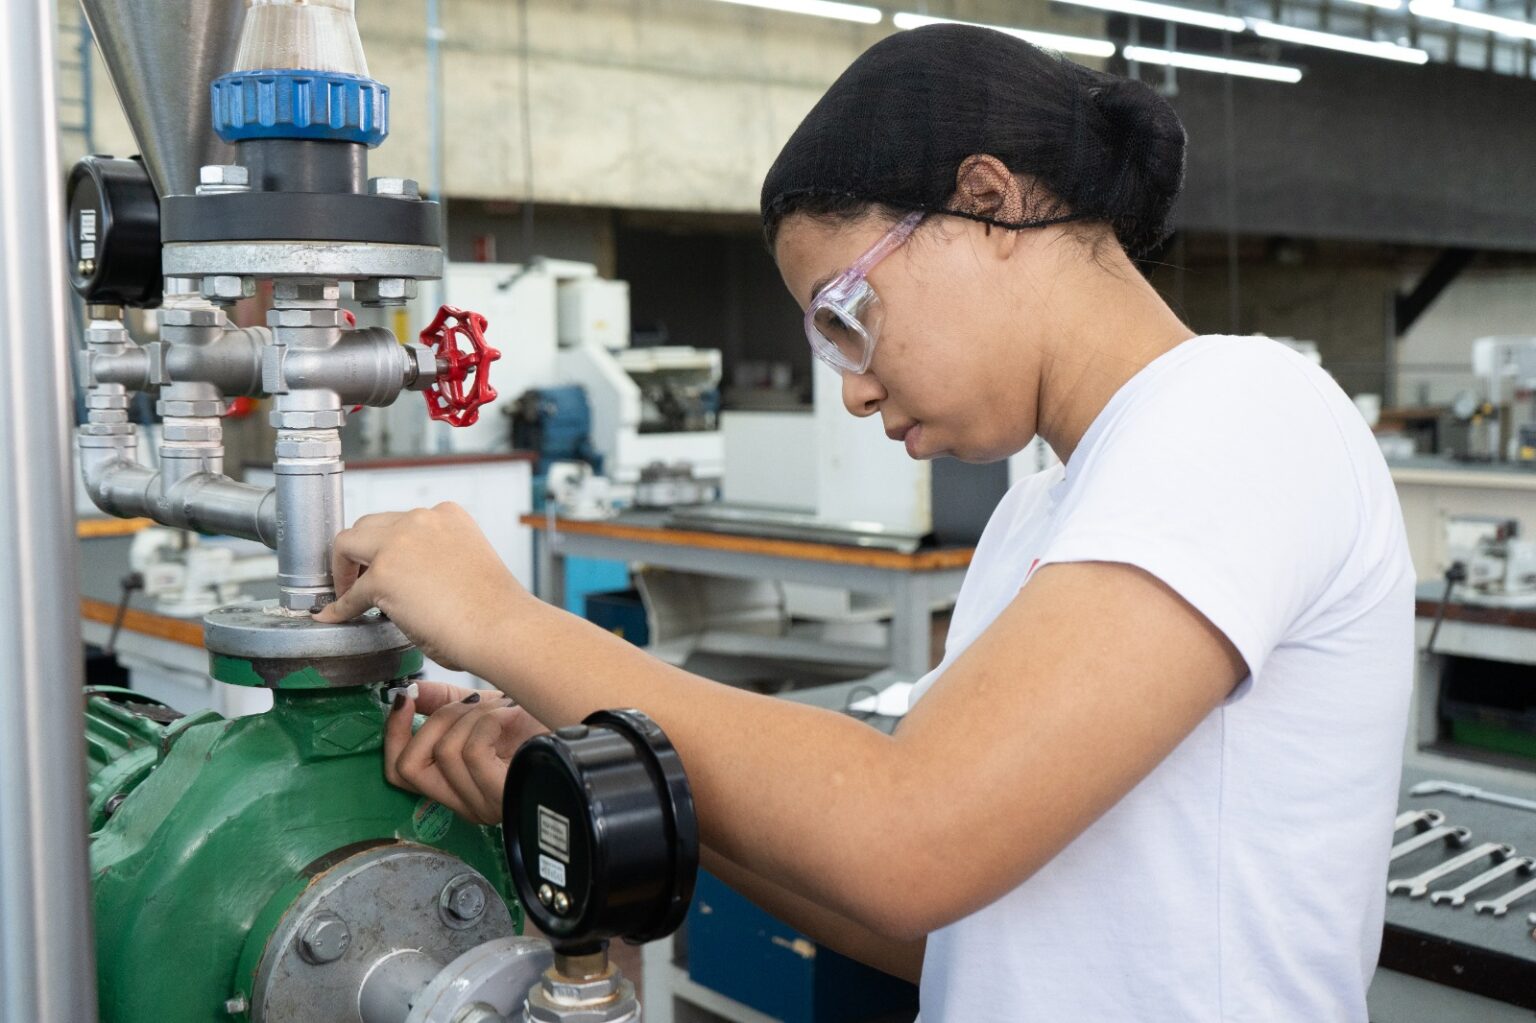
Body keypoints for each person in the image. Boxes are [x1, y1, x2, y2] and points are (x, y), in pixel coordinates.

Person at [315, 24, 1413, 1021]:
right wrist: (594, 785)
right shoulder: (1045, 510)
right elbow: (923, 919)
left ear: (988, 204)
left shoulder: (1237, 411)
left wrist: (506, 623)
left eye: (847, 315)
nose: (851, 387)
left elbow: (908, 835)